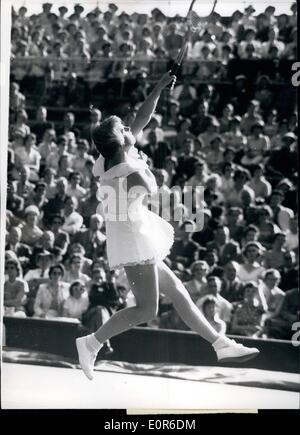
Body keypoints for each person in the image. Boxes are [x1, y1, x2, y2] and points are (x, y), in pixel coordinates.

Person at [75, 71, 259, 381]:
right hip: (132, 236)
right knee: (147, 310)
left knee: (177, 292)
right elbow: (153, 185)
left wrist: (158, 87)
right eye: (123, 129)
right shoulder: (129, 170)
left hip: (131, 227)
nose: (127, 128)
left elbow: (140, 119)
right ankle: (91, 342)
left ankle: (220, 344)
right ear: (121, 142)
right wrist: (143, 161)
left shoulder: (110, 155)